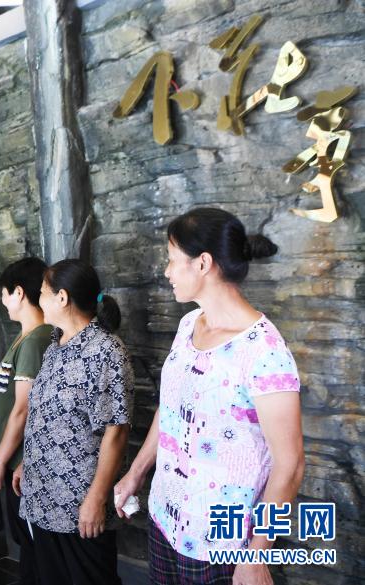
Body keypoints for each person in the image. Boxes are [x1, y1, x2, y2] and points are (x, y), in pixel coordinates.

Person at [113, 207, 304, 585]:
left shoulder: (264, 351)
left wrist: (257, 554)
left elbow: (291, 464)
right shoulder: (189, 325)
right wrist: (136, 471)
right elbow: (171, 408)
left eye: (172, 260)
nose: (166, 271)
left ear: (203, 263)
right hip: (166, 518)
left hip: (221, 539)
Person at [13, 259, 134, 585]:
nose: (39, 299)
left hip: (76, 504)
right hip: (42, 498)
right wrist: (28, 462)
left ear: (62, 297)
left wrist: (96, 498)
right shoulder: (55, 345)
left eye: (42, 292)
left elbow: (116, 431)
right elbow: (48, 414)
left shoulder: (106, 351)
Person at [0, 257, 52, 585]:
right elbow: (9, 402)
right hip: (12, 456)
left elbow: (24, 409)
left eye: (4, 293)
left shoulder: (36, 340)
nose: (3, 300)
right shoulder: (24, 337)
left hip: (25, 462)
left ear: (19, 293)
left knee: (37, 546)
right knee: (27, 542)